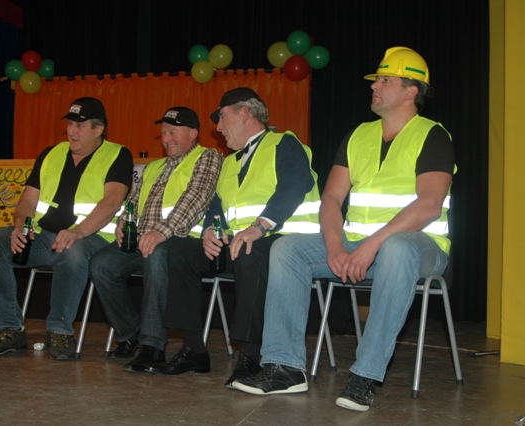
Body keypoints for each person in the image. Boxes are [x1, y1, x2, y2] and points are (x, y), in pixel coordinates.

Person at [231, 47, 456, 412]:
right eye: (376, 80)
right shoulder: (358, 136)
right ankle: (285, 367)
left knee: (397, 247)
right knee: (287, 248)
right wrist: (335, 246)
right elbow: (332, 198)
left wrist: (370, 246)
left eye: (385, 80)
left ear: (411, 90)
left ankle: (366, 374)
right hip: (359, 245)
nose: (374, 86)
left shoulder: (432, 135)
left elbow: (429, 204)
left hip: (421, 249)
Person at [146, 87, 321, 388]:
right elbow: (216, 205)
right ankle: (193, 350)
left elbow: (294, 185)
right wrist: (210, 231)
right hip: (239, 242)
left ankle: (250, 356)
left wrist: (260, 226)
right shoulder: (229, 162)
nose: (218, 127)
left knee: (250, 251)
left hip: (284, 242)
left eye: (223, 117)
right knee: (180, 251)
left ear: (245, 113)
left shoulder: (285, 143)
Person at [0, 97, 133, 360]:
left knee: (70, 249)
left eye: (80, 125)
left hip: (92, 239)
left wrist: (78, 231)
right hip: (44, 236)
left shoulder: (118, 155)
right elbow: (27, 200)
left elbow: (112, 201)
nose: (72, 131)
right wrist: (20, 227)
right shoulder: (51, 153)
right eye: (70, 124)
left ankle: (60, 332)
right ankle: (8, 329)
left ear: (98, 129)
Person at [89, 106, 222, 373]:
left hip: (182, 241)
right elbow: (133, 202)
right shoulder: (154, 167)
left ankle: (152, 346)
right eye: (163, 132)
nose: (166, 138)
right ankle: (131, 333)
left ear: (193, 134)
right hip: (144, 239)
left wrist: (162, 231)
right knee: (101, 264)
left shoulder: (207, 157)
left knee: (156, 253)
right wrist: (124, 221)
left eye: (173, 132)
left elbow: (195, 198)